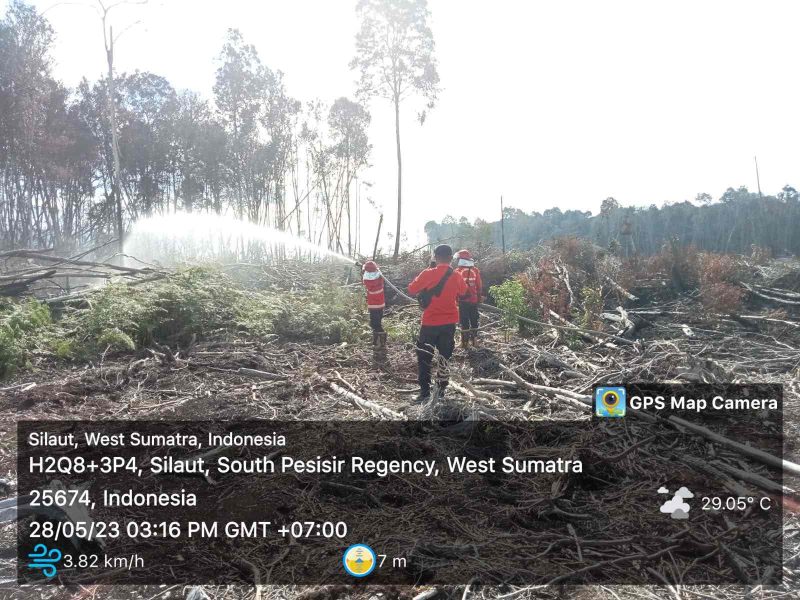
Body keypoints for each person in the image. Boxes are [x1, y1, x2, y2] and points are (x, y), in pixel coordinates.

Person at [408, 245, 467, 401]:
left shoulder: (428, 273)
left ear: (435, 256)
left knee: (424, 358)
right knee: (444, 358)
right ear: (450, 258)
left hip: (429, 324)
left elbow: (412, 289)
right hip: (449, 324)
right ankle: (440, 392)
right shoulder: (457, 275)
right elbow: (463, 291)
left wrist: (429, 272)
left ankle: (424, 393)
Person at [454, 249, 483, 348]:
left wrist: (455, 299)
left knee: (464, 321)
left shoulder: (457, 271)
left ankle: (464, 342)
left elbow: (454, 287)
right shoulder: (475, 270)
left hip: (462, 301)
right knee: (474, 319)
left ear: (460, 259)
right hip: (473, 300)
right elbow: (479, 286)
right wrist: (479, 297)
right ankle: (475, 340)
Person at [361, 261, 386, 348]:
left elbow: (365, 275)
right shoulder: (380, 277)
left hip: (373, 305)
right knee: (378, 322)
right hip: (381, 305)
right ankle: (380, 342)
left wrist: (364, 269)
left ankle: (379, 343)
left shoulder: (366, 279)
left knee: (375, 324)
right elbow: (375, 272)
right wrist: (377, 269)